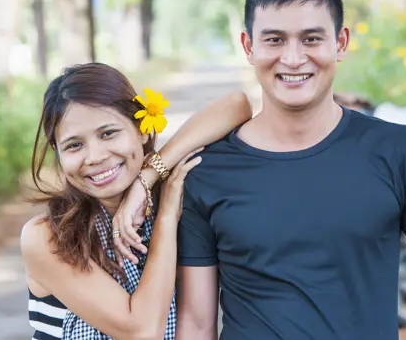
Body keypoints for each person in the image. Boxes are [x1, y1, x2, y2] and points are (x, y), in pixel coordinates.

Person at [168, 0, 406, 339]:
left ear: (341, 43)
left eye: (312, 39)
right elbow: (197, 322)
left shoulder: (399, 151)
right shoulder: (208, 172)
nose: (293, 58)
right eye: (274, 40)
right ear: (249, 47)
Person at [20, 62, 253, 340]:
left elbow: (236, 105)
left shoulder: (171, 192)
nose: (94, 156)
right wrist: (166, 219)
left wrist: (148, 178)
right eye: (74, 145)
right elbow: (142, 331)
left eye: (108, 133)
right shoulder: (46, 236)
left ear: (142, 128)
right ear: (58, 153)